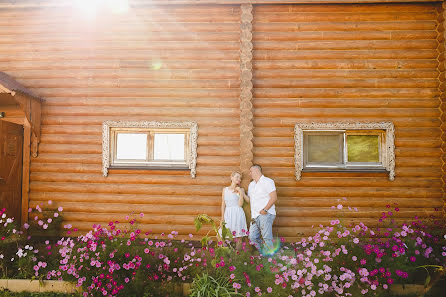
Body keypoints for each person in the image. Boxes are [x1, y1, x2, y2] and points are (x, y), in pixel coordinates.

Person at [239, 164, 277, 253]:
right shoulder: (251, 185)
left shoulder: (268, 181)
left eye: (251, 171)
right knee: (252, 237)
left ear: (256, 171)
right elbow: (250, 200)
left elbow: (274, 197)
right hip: (255, 216)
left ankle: (269, 260)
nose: (250, 174)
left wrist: (265, 210)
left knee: (267, 237)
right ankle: (264, 253)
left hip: (266, 214)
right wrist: (242, 193)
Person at [220, 171, 248, 243]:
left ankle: (237, 254)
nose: (239, 179)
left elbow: (240, 204)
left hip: (238, 213)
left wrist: (240, 192)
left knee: (239, 237)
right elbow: (223, 204)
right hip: (228, 213)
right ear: (231, 177)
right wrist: (222, 217)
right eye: (237, 177)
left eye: (240, 178)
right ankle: (225, 252)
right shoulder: (225, 189)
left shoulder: (241, 190)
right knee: (223, 234)